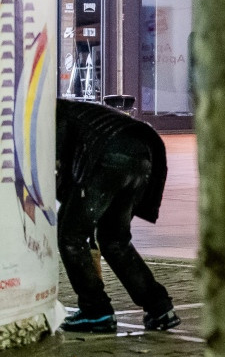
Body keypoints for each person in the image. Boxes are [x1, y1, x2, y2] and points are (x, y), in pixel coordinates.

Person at [55, 99, 181, 333]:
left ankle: (96, 311)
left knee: (70, 236)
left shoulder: (47, 116)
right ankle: (159, 307)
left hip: (109, 155)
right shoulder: (66, 109)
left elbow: (58, 170)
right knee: (114, 239)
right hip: (141, 155)